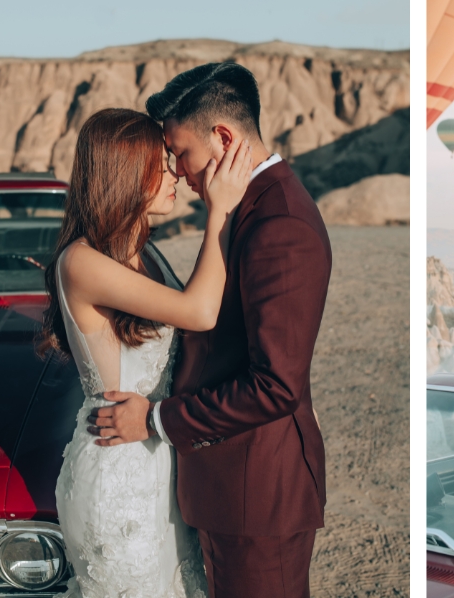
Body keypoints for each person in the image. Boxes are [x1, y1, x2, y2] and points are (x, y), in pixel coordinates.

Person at [88, 62, 332, 598]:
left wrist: (155, 419)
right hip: (229, 485)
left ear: (223, 137)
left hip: (258, 494)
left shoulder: (280, 224)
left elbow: (277, 385)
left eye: (180, 152)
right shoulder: (247, 208)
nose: (177, 169)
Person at [37, 107, 253, 598]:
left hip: (158, 461)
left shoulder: (146, 257)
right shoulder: (81, 261)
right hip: (117, 474)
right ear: (126, 172)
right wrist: (218, 209)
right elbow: (199, 312)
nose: (176, 171)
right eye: (161, 162)